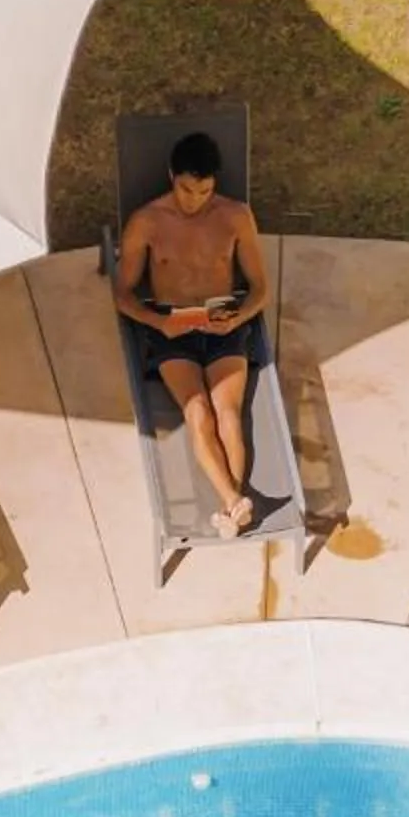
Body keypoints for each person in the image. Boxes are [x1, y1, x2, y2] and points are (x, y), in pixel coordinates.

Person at [115, 130, 271, 539]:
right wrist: (158, 323)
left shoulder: (236, 215)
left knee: (229, 413)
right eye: (186, 189)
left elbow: (260, 289)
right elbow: (123, 295)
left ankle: (230, 507)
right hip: (173, 324)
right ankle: (235, 504)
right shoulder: (146, 222)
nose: (194, 200)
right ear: (171, 176)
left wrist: (238, 319)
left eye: (204, 191)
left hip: (223, 318)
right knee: (197, 410)